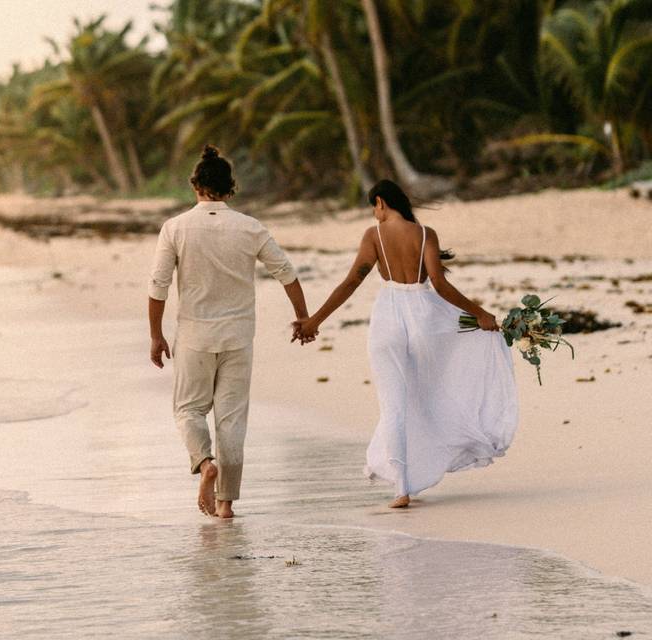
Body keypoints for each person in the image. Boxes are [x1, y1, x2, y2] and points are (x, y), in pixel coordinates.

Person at [294, 180, 518, 508]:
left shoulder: (374, 236)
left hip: (388, 320)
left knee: (394, 405)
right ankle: (446, 450)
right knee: (429, 395)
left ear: (382, 202)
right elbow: (439, 285)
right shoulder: (425, 233)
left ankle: (402, 488)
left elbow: (351, 283)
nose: (374, 213)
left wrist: (314, 321)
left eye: (374, 206)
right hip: (426, 320)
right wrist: (480, 314)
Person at [148, 145, 309, 518]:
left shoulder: (175, 228)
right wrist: (303, 318)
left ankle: (205, 463)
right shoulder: (250, 227)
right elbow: (286, 272)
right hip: (238, 335)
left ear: (196, 186)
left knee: (188, 409)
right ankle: (225, 506)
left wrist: (156, 335)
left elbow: (158, 286)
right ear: (230, 188)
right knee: (231, 420)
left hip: (194, 336)